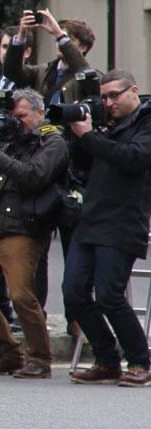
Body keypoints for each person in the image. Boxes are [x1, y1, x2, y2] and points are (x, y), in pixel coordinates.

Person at [0, 89, 68, 379]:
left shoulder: (53, 141)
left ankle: (40, 358)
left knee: (21, 295)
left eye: (22, 116)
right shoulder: (12, 141)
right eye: (14, 116)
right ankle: (9, 353)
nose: (17, 122)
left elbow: (35, 177)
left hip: (24, 229)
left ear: (39, 113)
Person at [63, 70, 151, 386]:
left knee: (109, 295)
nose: (108, 102)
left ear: (134, 91)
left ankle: (141, 361)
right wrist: (79, 137)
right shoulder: (106, 125)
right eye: (104, 97)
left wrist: (91, 137)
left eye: (114, 95)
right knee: (73, 292)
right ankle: (106, 359)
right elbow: (84, 166)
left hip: (124, 219)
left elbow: (134, 158)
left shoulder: (145, 122)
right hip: (91, 217)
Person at [3, 10, 95, 105]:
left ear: (83, 47)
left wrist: (58, 34)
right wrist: (21, 36)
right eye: (57, 39)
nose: (59, 43)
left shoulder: (90, 76)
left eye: (69, 39)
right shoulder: (42, 72)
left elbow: (83, 70)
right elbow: (12, 72)